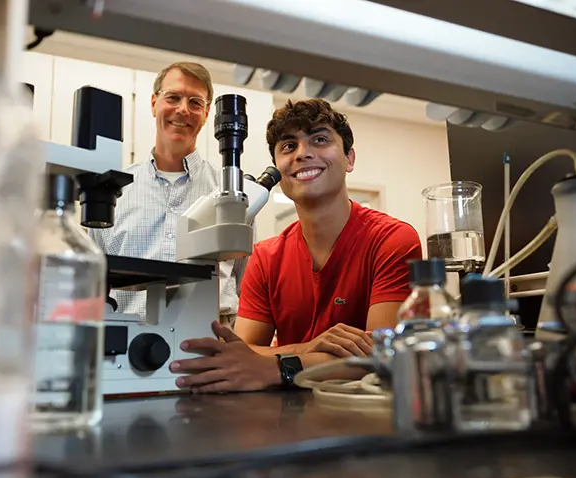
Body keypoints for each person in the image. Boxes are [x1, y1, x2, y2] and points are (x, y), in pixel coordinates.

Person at [170, 99, 423, 393]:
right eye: (289, 146)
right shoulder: (265, 257)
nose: (303, 153)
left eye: (319, 139)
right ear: (278, 168)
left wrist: (278, 366)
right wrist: (308, 348)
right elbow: (244, 350)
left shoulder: (393, 240)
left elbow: (382, 355)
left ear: (349, 158)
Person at [90, 62, 245, 326]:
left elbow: (244, 286)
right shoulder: (113, 191)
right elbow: (91, 281)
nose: (183, 109)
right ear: (153, 103)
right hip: (122, 352)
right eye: (173, 97)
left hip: (207, 355)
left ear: (207, 113)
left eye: (195, 103)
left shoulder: (231, 194)